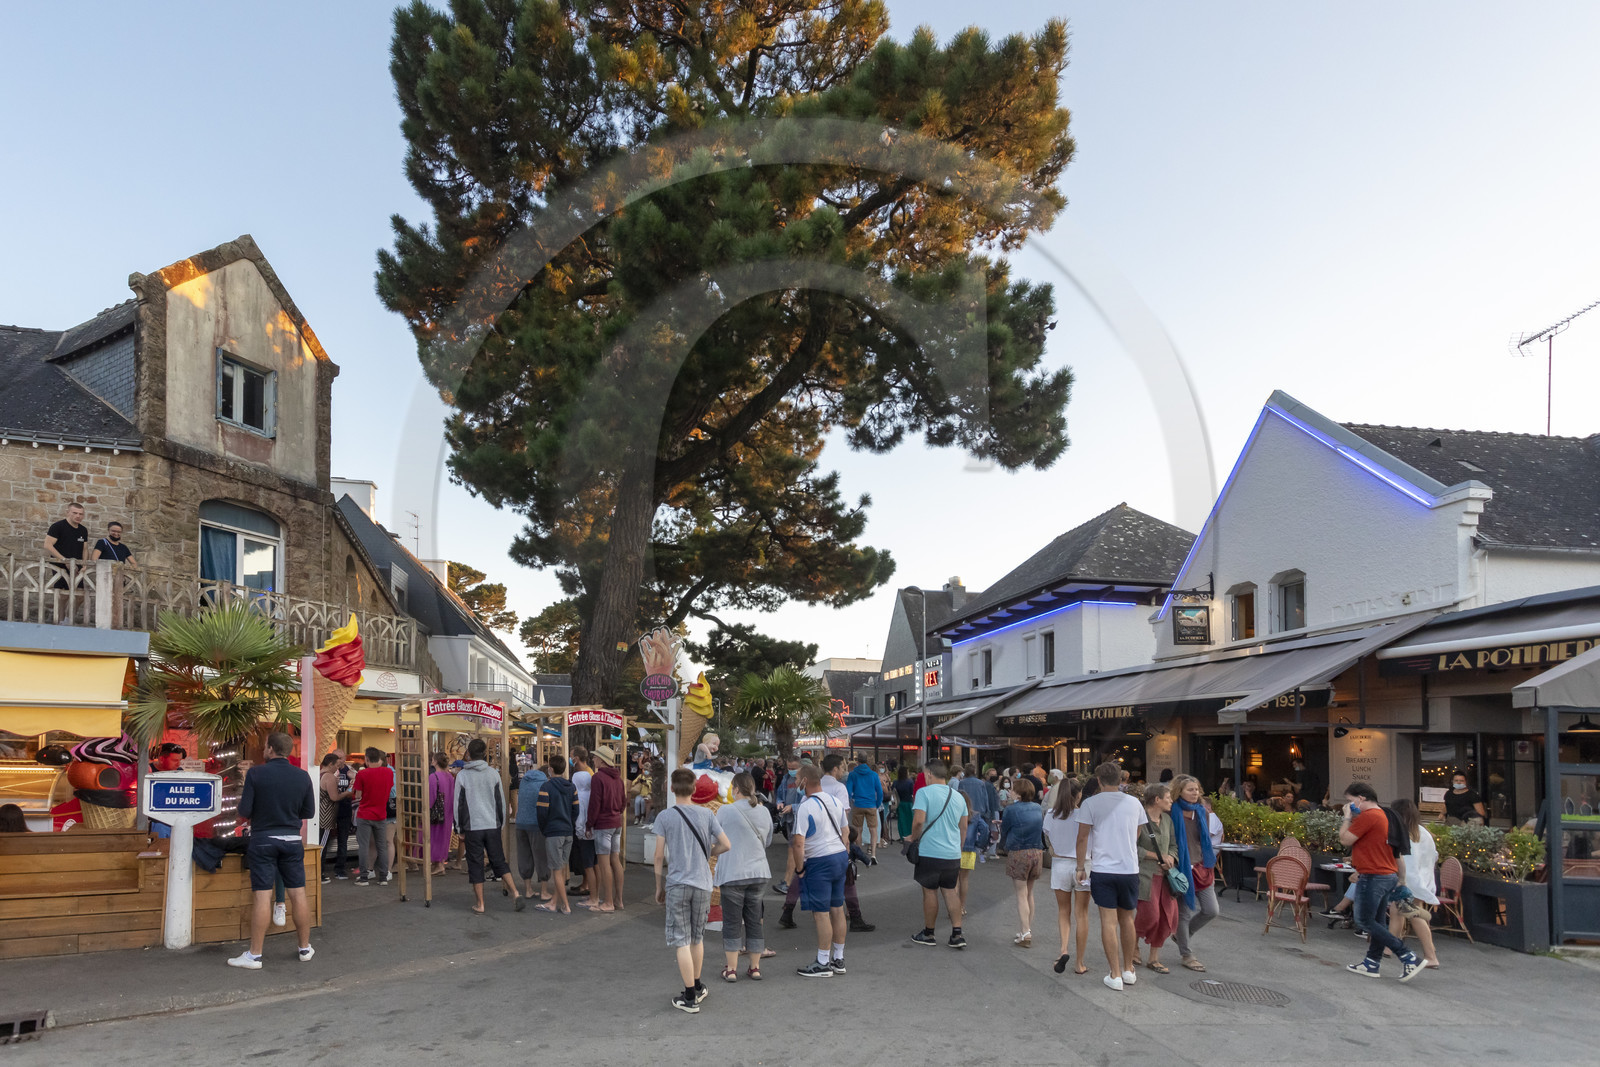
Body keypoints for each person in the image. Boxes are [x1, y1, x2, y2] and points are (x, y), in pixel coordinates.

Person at [229, 732, 315, 969]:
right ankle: (305, 948)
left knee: (262, 896)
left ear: (271, 749)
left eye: (265, 746)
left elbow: (245, 810)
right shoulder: (303, 776)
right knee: (298, 894)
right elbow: (308, 812)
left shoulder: (256, 773)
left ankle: (254, 955)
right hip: (292, 840)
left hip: (264, 840)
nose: (263, 749)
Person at [656, 768, 730, 1012]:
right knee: (697, 938)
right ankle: (697, 986)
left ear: (671, 788)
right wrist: (708, 852)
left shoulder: (665, 817)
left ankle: (689, 997)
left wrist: (658, 886)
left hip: (677, 884)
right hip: (702, 884)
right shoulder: (706, 814)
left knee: (681, 941)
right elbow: (725, 844)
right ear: (694, 789)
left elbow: (658, 856)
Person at [1338, 782, 1424, 981]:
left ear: (1361, 798)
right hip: (1387, 874)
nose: (1349, 805)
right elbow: (1396, 852)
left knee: (1364, 920)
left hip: (1373, 875)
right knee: (1377, 922)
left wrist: (1347, 817)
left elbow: (1345, 839)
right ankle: (1371, 962)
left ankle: (1407, 956)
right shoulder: (1386, 816)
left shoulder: (1369, 816)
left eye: (1351, 800)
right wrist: (1401, 878)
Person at [1075, 761, 1145, 991]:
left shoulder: (1090, 803)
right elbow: (1137, 832)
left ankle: (1114, 974)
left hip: (1103, 868)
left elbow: (1082, 837)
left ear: (1098, 780)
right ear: (1121, 779)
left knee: (1108, 921)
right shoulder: (1134, 803)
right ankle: (1128, 969)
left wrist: (1080, 866)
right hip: (1129, 868)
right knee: (1127, 919)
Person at [788, 763, 851, 977]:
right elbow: (845, 831)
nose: (796, 782)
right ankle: (838, 958)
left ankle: (823, 962)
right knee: (837, 908)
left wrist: (800, 869)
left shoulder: (806, 807)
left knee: (821, 913)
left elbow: (798, 843)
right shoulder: (835, 801)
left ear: (806, 781)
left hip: (819, 861)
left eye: (798, 779)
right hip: (839, 857)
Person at [714, 772, 772, 981]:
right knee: (754, 921)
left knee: (732, 922)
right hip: (759, 873)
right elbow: (767, 841)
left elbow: (715, 838)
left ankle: (731, 969)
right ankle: (755, 967)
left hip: (732, 872)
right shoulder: (764, 811)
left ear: (736, 788)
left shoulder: (725, 810)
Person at [908, 760, 970, 950]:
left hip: (930, 852)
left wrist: (912, 838)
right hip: (952, 853)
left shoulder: (924, 793)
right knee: (950, 891)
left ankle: (929, 933)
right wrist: (958, 847)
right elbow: (963, 827)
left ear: (928, 774)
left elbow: (919, 821)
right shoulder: (958, 796)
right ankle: (957, 934)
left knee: (930, 891)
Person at [455, 739, 521, 913]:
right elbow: (501, 801)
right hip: (492, 825)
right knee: (498, 860)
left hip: (472, 826)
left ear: (468, 754)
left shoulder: (462, 775)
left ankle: (481, 904)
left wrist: (459, 829)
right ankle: (515, 892)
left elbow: (458, 805)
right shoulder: (493, 774)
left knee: (475, 864)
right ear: (484, 754)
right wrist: (501, 823)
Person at [1169, 774, 1219, 972]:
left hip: (1202, 867)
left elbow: (1204, 840)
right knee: (1183, 913)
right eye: (1190, 789)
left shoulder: (1202, 812)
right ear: (1179, 791)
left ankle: (1182, 936)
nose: (1195, 793)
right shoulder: (1171, 811)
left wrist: (1207, 863)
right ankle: (1187, 954)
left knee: (1211, 910)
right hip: (1181, 869)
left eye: (1197, 789)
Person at [1044, 777, 1090, 975]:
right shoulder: (1085, 815)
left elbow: (1048, 838)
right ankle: (1079, 963)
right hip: (1083, 865)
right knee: (1082, 914)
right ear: (1079, 795)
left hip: (1060, 864)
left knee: (1064, 911)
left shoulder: (1051, 815)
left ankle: (1063, 950)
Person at [1389, 798, 1441, 969]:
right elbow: (1433, 856)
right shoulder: (1423, 833)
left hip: (1409, 881)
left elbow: (1405, 861)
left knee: (1410, 914)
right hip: (1422, 881)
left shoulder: (1403, 834)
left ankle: (1430, 955)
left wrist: (1401, 881)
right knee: (1399, 912)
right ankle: (1389, 948)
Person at [1133, 783, 1179, 974]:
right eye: (1168, 797)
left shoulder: (1167, 820)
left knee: (1167, 918)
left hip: (1166, 876)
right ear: (1157, 799)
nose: (1171, 801)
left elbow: (1173, 845)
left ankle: (1154, 958)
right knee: (1149, 914)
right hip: (1146, 874)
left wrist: (1171, 858)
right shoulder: (1139, 819)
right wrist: (1157, 857)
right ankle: (1133, 943)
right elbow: (1132, 847)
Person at [1001, 775, 1045, 947]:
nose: (1010, 791)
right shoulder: (1037, 808)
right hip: (1036, 852)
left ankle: (1025, 932)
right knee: (1029, 893)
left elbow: (1005, 830)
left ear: (1018, 793)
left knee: (1021, 894)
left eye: (1012, 789)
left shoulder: (1011, 810)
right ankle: (1026, 929)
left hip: (1019, 852)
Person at [535, 754, 579, 914]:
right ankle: (553, 902)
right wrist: (570, 824)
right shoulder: (572, 787)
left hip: (554, 832)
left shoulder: (546, 787)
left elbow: (541, 812)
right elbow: (576, 810)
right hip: (568, 832)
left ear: (550, 769)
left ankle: (565, 905)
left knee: (556, 871)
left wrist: (545, 828)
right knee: (560, 869)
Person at [588, 744, 627, 913]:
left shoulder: (598, 778)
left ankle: (608, 902)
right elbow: (624, 802)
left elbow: (594, 803)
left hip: (603, 824)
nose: (593, 759)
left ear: (602, 760)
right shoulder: (618, 779)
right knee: (615, 861)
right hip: (616, 822)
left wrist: (589, 824)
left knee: (604, 865)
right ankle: (618, 900)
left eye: (595, 757)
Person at [352, 748, 393, 886]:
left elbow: (358, 795)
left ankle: (364, 877)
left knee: (364, 846)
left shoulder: (362, 774)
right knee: (382, 846)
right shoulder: (388, 772)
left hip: (364, 814)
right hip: (381, 814)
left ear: (367, 759)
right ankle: (383, 877)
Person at [514, 759, 551, 903]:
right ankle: (544, 891)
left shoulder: (524, 781)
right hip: (536, 824)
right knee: (541, 857)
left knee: (524, 855)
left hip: (520, 823)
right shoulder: (545, 784)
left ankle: (528, 889)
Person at [317, 754, 352, 881]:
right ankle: (319, 874)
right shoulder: (329, 776)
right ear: (330, 764)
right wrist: (347, 792)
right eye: (337, 765)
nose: (338, 768)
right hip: (326, 816)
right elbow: (334, 797)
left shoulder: (319, 774)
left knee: (320, 844)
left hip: (318, 814)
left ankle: (318, 873)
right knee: (322, 846)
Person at [846, 754, 885, 862]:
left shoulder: (852, 774)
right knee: (873, 830)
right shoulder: (873, 774)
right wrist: (877, 804)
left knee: (858, 830)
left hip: (858, 804)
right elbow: (880, 792)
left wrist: (853, 799)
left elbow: (848, 791)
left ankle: (860, 854)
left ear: (857, 761)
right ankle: (873, 854)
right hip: (871, 805)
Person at [569, 746, 596, 899]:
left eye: (571, 756)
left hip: (584, 823)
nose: (570, 759)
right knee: (588, 859)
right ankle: (586, 884)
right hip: (586, 822)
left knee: (587, 859)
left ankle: (589, 888)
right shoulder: (589, 773)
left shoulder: (584, 776)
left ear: (576, 758)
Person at [426, 753, 455, 875]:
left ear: (435, 762)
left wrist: (426, 809)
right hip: (448, 811)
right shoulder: (450, 776)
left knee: (434, 837)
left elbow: (431, 797)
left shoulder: (433, 777)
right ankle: (441, 863)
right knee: (444, 838)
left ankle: (438, 865)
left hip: (436, 812)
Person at [892, 766, 916, 843]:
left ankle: (902, 836)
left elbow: (892, 790)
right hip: (908, 803)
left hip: (900, 803)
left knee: (901, 820)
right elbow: (912, 792)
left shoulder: (896, 782)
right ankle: (910, 835)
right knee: (910, 820)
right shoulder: (910, 782)